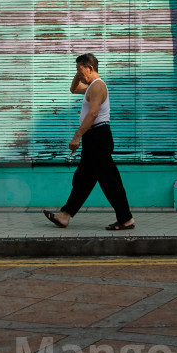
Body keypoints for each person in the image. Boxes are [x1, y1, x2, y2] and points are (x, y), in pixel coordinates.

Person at [44, 54, 135, 231]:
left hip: (98, 136)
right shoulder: (91, 86)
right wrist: (78, 73)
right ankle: (65, 215)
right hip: (93, 137)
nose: (79, 73)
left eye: (80, 69)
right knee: (83, 179)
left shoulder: (98, 87)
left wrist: (77, 136)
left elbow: (92, 114)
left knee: (110, 180)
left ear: (90, 68)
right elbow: (74, 88)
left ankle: (126, 219)